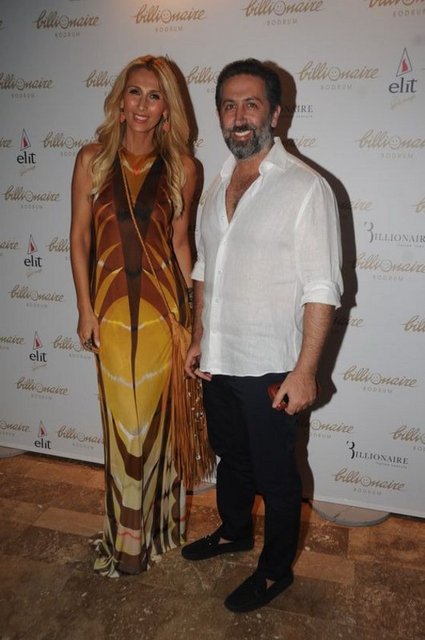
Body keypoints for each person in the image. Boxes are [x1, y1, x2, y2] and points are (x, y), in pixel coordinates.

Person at [182, 59, 343, 612]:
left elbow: (322, 287)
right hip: (220, 358)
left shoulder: (305, 188)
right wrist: (199, 335)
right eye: (229, 105)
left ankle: (275, 572)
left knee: (277, 477)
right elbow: (205, 268)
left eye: (251, 104)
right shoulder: (216, 184)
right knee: (231, 456)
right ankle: (234, 531)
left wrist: (306, 370)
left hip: (273, 365)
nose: (239, 116)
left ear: (275, 113)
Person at [70, 55, 197, 577]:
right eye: (135, 92)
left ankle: (158, 530)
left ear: (167, 108)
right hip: (112, 317)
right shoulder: (92, 160)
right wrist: (84, 308)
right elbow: (80, 238)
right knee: (125, 428)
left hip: (164, 316)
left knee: (156, 429)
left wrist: (195, 323)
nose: (143, 104)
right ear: (120, 101)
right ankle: (125, 538)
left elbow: (181, 245)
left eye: (155, 95)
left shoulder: (184, 168)